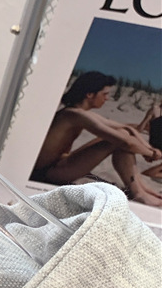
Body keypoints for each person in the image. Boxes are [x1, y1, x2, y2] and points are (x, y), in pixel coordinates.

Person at [30, 71, 162, 207]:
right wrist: (151, 153)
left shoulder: (77, 112)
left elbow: (127, 128)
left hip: (59, 163)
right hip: (47, 173)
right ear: (90, 94)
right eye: (104, 94)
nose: (107, 98)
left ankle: (141, 188)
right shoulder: (75, 115)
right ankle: (138, 192)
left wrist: (150, 149)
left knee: (122, 133)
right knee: (117, 141)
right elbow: (126, 142)